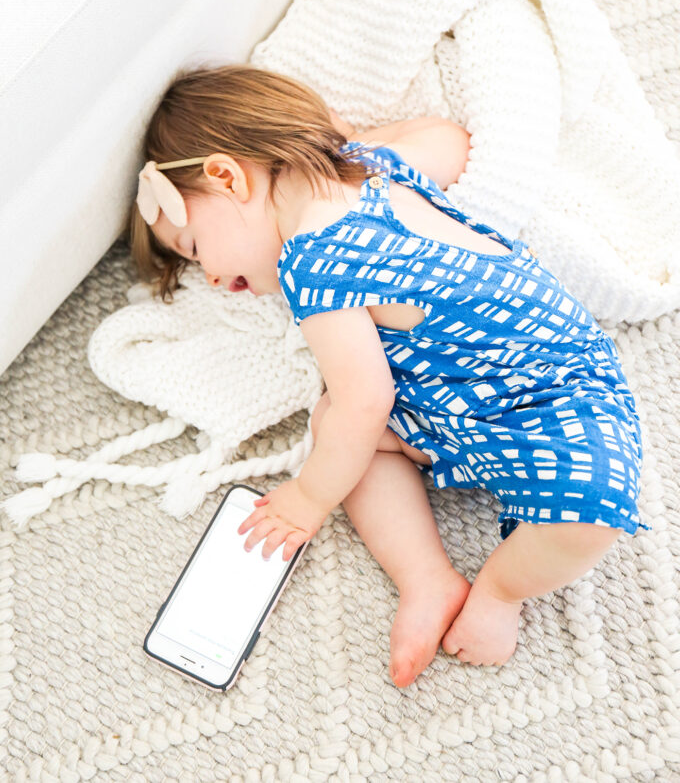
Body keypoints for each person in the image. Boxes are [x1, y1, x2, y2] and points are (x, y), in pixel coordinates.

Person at [130, 62, 646, 685]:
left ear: (227, 176)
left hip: (554, 391)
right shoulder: (371, 167)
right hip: (450, 403)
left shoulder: (315, 260)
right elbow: (451, 141)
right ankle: (427, 579)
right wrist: (348, 138)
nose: (211, 278)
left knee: (586, 518)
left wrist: (306, 500)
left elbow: (364, 398)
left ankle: (501, 590)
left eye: (192, 248)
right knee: (340, 435)